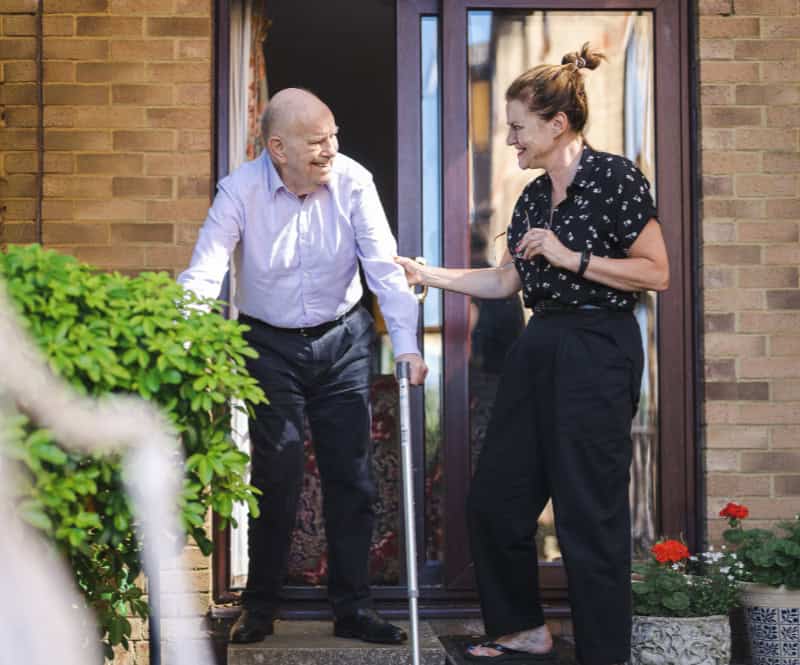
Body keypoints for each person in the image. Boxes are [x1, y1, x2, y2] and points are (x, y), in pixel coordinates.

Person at [396, 44, 669, 665]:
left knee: (587, 513)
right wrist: (427, 274)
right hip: (539, 344)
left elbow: (657, 272)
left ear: (557, 124)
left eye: (518, 126)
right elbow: (503, 282)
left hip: (599, 346)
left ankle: (605, 653)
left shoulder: (616, 179)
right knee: (495, 499)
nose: (510, 138)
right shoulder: (530, 199)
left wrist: (571, 256)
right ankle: (522, 626)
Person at [178, 88, 427, 645]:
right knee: (278, 472)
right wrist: (176, 337)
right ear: (277, 148)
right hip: (267, 343)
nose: (330, 149)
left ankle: (354, 608)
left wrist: (407, 343)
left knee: (352, 478)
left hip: (342, 339)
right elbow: (205, 270)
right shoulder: (239, 191)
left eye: (333, 136)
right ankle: (261, 606)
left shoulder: (354, 182)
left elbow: (385, 269)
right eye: (317, 142)